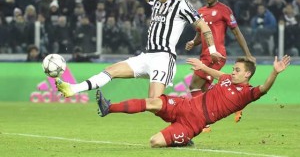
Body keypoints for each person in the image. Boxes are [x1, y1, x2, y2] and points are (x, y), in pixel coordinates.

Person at [55, 0, 224, 99]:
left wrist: (213, 49)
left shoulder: (182, 5)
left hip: (164, 58)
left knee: (154, 102)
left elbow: (204, 26)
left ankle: (185, 123)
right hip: (146, 56)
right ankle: (73, 89)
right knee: (110, 70)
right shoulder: (158, 2)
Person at [96, 55, 291, 147]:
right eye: (233, 68)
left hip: (193, 123)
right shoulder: (226, 79)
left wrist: (274, 72)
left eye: (237, 70)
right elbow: (217, 73)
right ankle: (108, 107)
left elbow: (264, 88)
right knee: (153, 102)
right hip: (184, 105)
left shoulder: (247, 93)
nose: (233, 72)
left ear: (247, 74)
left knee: (154, 142)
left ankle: (182, 140)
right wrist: (201, 66)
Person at [185, 0, 255, 125]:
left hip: (216, 55)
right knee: (205, 88)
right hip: (204, 54)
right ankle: (236, 103)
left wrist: (247, 54)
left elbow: (236, 33)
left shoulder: (225, 10)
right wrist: (193, 42)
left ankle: (202, 120)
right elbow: (200, 35)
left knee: (194, 86)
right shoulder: (200, 12)